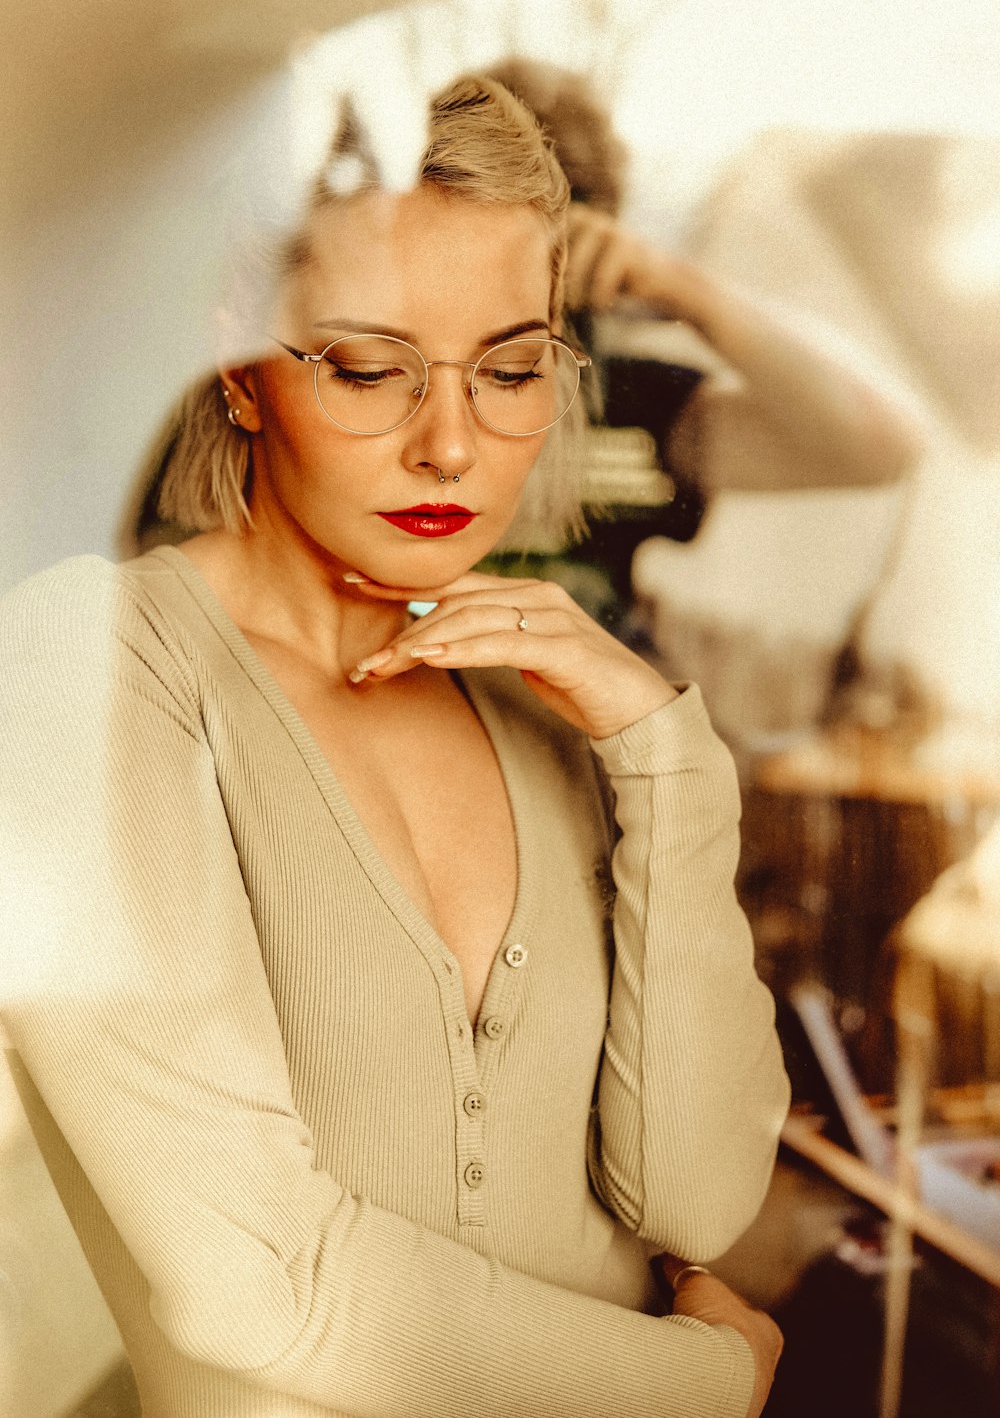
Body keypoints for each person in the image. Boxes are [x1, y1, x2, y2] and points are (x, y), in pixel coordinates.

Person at [0, 76, 788, 1417]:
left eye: (512, 367)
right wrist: (708, 1382)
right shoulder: (83, 665)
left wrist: (664, 760)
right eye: (367, 367)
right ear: (238, 359)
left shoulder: (546, 703)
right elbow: (258, 1283)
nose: (450, 443)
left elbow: (695, 1201)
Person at [487, 56, 934, 501]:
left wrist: (673, 285)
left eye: (563, 236)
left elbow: (885, 449)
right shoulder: (420, 381)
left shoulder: (625, 399)